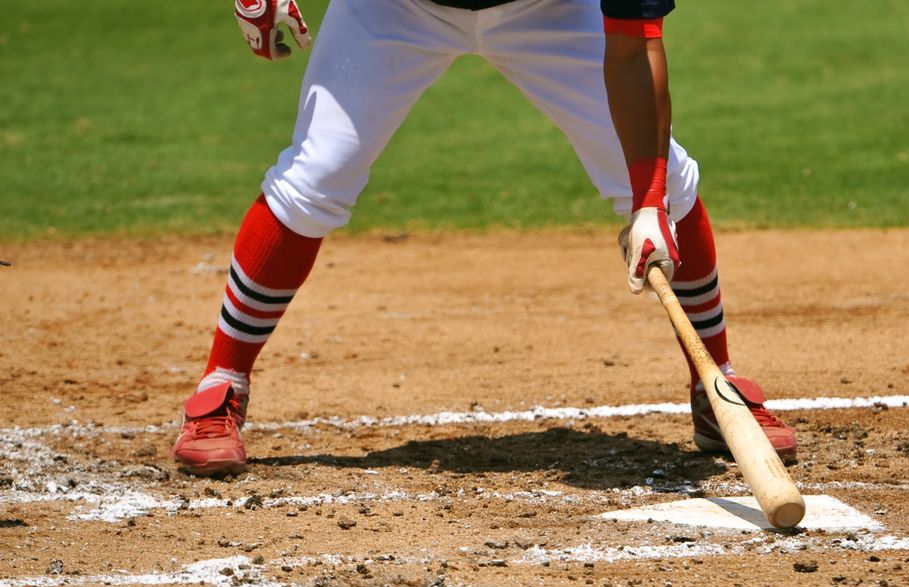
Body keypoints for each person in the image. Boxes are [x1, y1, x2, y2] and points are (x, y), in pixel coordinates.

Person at [170, 0, 797, 476]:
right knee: (315, 176)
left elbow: (634, 49)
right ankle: (223, 381)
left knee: (673, 184)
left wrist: (651, 201)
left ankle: (714, 380)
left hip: (549, 8)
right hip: (395, 7)